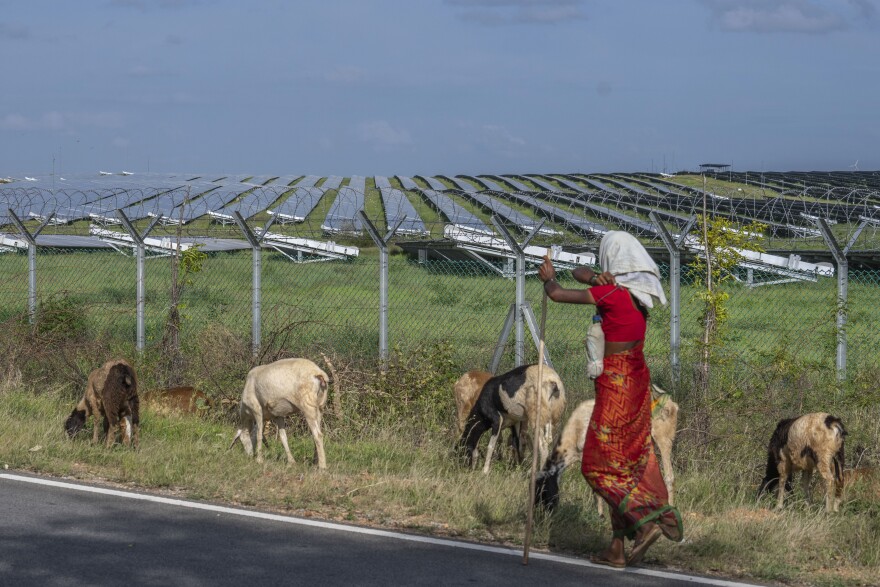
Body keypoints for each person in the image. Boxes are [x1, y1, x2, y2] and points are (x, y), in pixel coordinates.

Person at [538, 231, 683, 568]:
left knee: (595, 465)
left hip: (616, 387)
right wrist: (597, 275)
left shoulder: (611, 296)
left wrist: (548, 280)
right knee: (627, 462)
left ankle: (642, 522)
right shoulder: (635, 301)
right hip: (637, 385)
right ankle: (616, 549)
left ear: (613, 263)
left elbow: (559, 293)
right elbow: (582, 274)